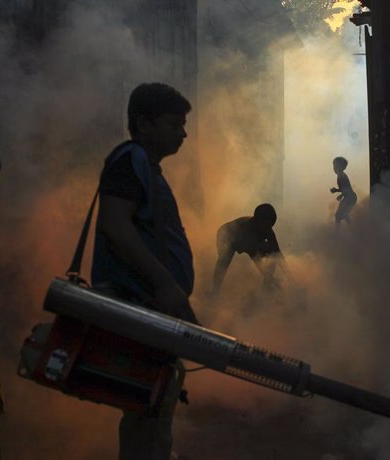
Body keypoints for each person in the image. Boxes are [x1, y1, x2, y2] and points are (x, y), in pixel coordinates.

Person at [91, 82, 197, 460]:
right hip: (141, 305)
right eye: (173, 123)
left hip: (153, 305)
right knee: (146, 414)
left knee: (152, 411)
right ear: (145, 124)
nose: (183, 132)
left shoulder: (145, 166)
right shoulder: (130, 160)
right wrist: (166, 285)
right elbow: (116, 226)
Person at [211, 203, 284, 296]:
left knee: (272, 256)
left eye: (271, 225)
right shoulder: (246, 230)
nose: (269, 229)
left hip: (246, 241)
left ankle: (266, 290)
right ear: (257, 221)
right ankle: (215, 292)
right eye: (267, 225)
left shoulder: (266, 228)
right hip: (226, 235)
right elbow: (255, 256)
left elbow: (277, 254)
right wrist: (269, 278)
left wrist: (290, 279)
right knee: (224, 261)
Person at [330, 156, 357, 229]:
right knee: (343, 215)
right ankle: (353, 231)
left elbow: (347, 189)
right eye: (334, 166)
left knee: (339, 215)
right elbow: (345, 188)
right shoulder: (340, 175)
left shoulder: (342, 175)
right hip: (349, 197)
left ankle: (338, 235)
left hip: (350, 197)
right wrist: (337, 190)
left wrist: (341, 194)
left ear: (342, 167)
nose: (334, 168)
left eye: (336, 166)